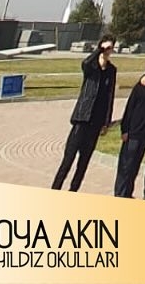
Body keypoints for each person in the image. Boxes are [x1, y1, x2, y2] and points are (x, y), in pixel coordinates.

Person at [52, 35, 117, 192]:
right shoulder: (91, 66)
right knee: (68, 160)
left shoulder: (111, 70)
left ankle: (73, 192)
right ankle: (55, 190)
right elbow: (85, 63)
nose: (108, 50)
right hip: (82, 119)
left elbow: (110, 96)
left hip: (96, 123)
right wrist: (99, 50)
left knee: (83, 163)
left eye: (111, 48)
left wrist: (106, 122)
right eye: (106, 47)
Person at [114, 56, 145, 198]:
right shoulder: (141, 86)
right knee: (126, 166)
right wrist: (125, 129)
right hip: (133, 132)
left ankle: (128, 193)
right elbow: (130, 108)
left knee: (135, 166)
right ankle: (120, 194)